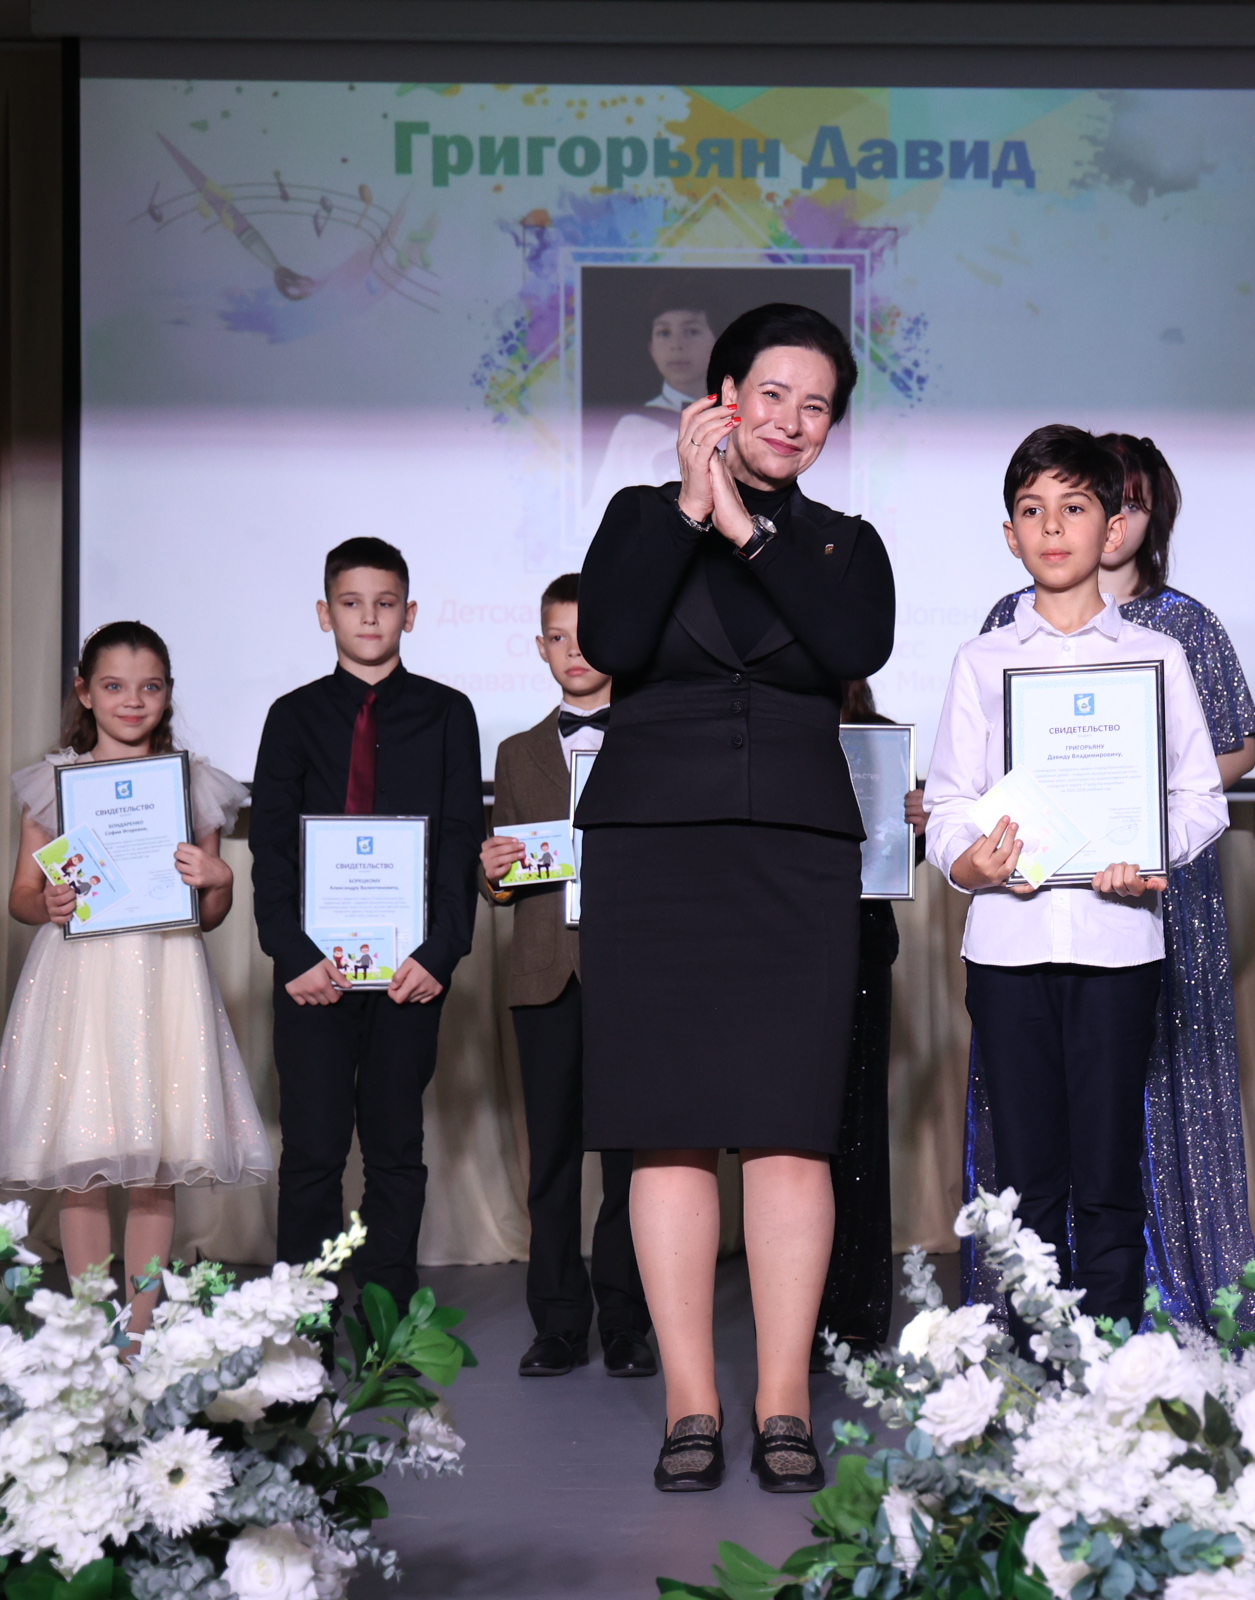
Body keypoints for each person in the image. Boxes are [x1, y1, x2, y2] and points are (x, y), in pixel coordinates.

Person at [576, 302, 893, 1493]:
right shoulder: (636, 517)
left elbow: (849, 650)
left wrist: (747, 529)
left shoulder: (842, 545)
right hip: (653, 851)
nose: (794, 421)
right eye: (773, 396)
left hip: (795, 858)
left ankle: (783, 1399)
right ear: (719, 398)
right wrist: (688, 508)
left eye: (817, 406)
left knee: (788, 1128)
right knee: (664, 1127)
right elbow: (612, 639)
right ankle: (690, 1402)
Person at [926, 425, 1229, 1333]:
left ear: (1114, 528)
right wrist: (968, 861)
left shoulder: (1157, 656)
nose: (1052, 527)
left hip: (1117, 944)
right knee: (1025, 1173)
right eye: (1032, 510)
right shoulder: (982, 661)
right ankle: (1032, 1362)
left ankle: (1108, 1364)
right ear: (1009, 535)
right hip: (1007, 950)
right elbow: (949, 803)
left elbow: (1202, 798)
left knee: (1107, 1170)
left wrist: (1147, 848)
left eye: (1075, 507)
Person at [0, 622, 269, 1332]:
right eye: (113, 686)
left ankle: (138, 1333)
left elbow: (209, 914)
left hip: (164, 975)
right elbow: (21, 896)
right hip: (78, 981)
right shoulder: (54, 785)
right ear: (85, 692)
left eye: (149, 687)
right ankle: (86, 1328)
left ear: (167, 694)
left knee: (154, 1164)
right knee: (84, 1157)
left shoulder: (193, 784)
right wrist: (46, 902)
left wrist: (221, 879)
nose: (132, 701)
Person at [250, 538, 483, 1312]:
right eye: (352, 603)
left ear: (409, 614)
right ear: (326, 614)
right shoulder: (292, 717)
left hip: (409, 972)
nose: (370, 617)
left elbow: (459, 843)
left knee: (395, 1151)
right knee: (312, 1153)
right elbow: (271, 847)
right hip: (311, 973)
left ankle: (388, 1325)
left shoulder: (449, 714)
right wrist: (291, 952)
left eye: (385, 603)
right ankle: (300, 1328)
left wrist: (441, 953)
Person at [482, 573, 653, 1381]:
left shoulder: (654, 739)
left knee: (631, 1163)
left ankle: (626, 1321)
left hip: (634, 977)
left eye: (589, 635)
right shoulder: (515, 753)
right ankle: (556, 1323)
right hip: (545, 976)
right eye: (559, 637)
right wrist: (491, 872)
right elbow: (503, 870)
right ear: (541, 647)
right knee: (549, 1161)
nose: (574, 650)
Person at [817, 678, 910, 1359]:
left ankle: (854, 1310)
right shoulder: (766, 722)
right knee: (791, 1143)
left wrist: (922, 823)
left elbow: (897, 856)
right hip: (775, 950)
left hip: (859, 952)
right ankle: (799, 1315)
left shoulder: (880, 740)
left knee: (858, 1137)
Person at [583, 306, 718, 534]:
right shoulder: (634, 427)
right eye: (664, 333)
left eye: (692, 331)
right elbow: (598, 515)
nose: (677, 345)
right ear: (651, 348)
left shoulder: (742, 421)